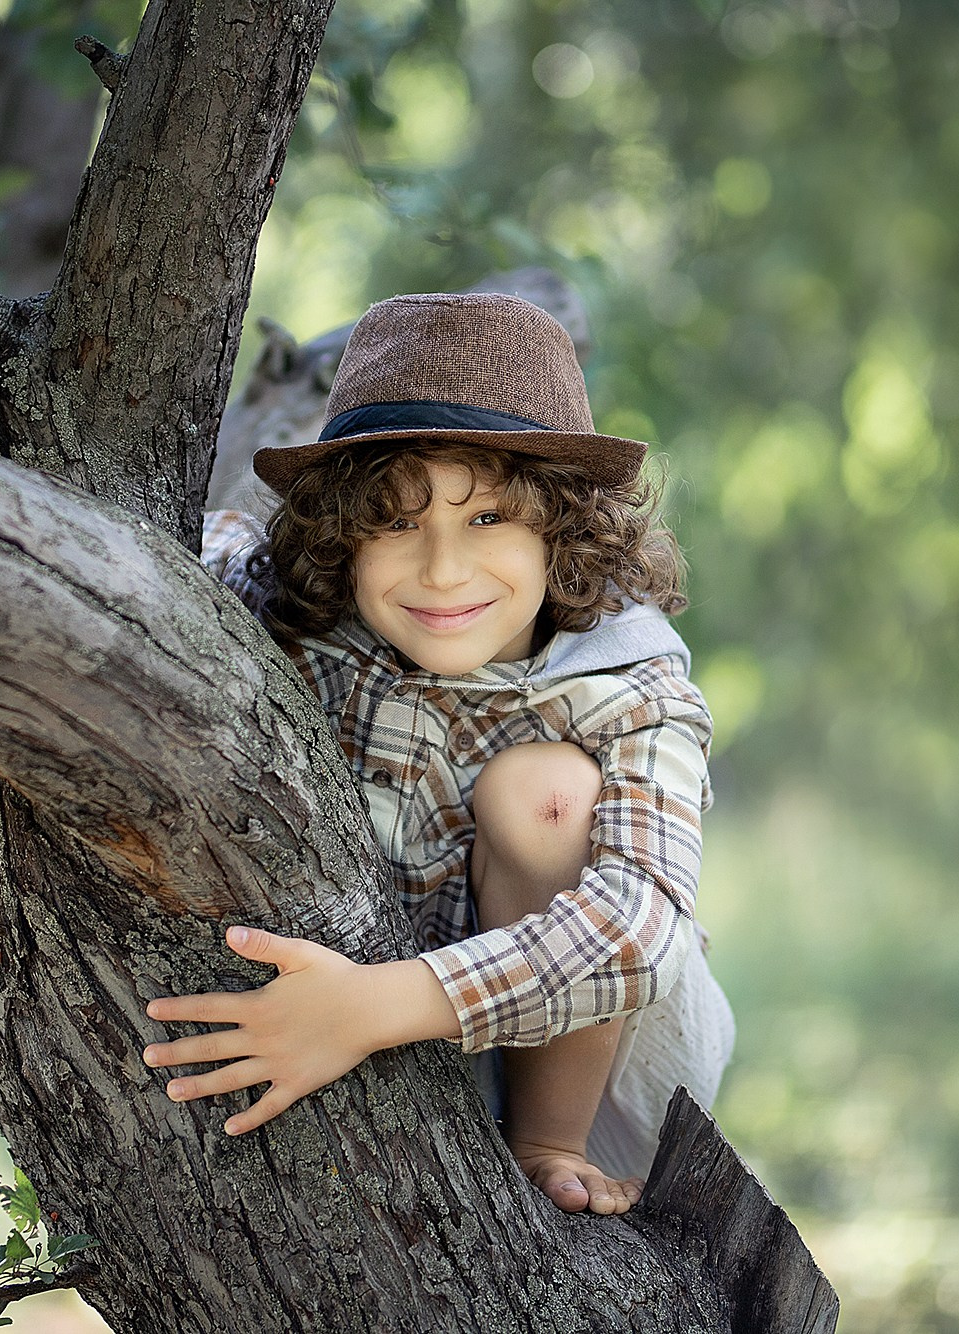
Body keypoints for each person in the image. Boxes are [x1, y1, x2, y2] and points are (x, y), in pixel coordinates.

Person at [144, 292, 734, 1215]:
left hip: (578, 1027)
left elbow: (639, 932)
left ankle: (548, 1143)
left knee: (547, 788)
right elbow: (176, 556)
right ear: (342, 533)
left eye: (489, 520)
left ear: (565, 530)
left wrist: (369, 1008)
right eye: (395, 522)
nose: (444, 571)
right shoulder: (296, 608)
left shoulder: (632, 685)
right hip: (356, 1019)